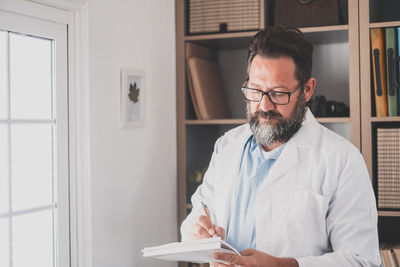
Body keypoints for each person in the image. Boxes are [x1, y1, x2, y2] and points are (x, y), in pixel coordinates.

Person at [180, 26, 381, 267]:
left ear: (307, 90)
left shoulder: (342, 160)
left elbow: (362, 260)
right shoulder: (227, 146)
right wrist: (197, 233)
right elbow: (198, 217)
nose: (264, 105)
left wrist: (282, 265)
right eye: (255, 90)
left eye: (278, 93)